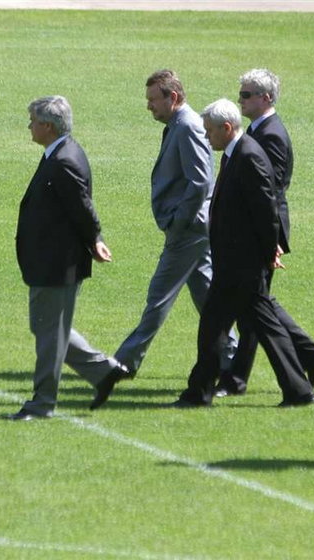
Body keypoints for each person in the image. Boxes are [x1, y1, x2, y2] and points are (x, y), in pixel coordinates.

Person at [171, 99, 314, 408]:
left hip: (242, 264)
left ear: (226, 128)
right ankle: (298, 389)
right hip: (234, 262)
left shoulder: (249, 156)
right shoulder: (235, 153)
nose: (206, 138)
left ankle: (199, 393)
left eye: (209, 131)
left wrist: (268, 251)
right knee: (259, 327)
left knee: (215, 327)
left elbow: (266, 209)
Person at [109, 70, 236, 395]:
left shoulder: (189, 126)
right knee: (208, 298)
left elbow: (200, 181)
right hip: (192, 228)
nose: (149, 106)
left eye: (154, 99)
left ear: (173, 98)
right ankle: (232, 362)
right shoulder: (177, 126)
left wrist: (178, 222)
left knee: (158, 297)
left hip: (188, 230)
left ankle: (123, 363)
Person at [8, 95, 129, 421]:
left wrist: (95, 239)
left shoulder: (64, 160)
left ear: (47, 126)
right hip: (49, 262)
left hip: (57, 264)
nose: (29, 126)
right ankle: (105, 371)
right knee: (48, 327)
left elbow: (83, 208)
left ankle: (41, 403)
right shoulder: (59, 153)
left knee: (49, 333)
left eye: (32, 120)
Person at [215, 68, 314, 398]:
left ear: (266, 98)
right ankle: (309, 356)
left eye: (246, 94)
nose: (241, 99)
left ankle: (243, 377)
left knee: (255, 306)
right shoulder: (259, 130)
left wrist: (270, 242)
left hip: (262, 234)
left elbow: (270, 190)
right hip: (257, 233)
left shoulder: (272, 135)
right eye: (241, 93)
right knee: (256, 305)